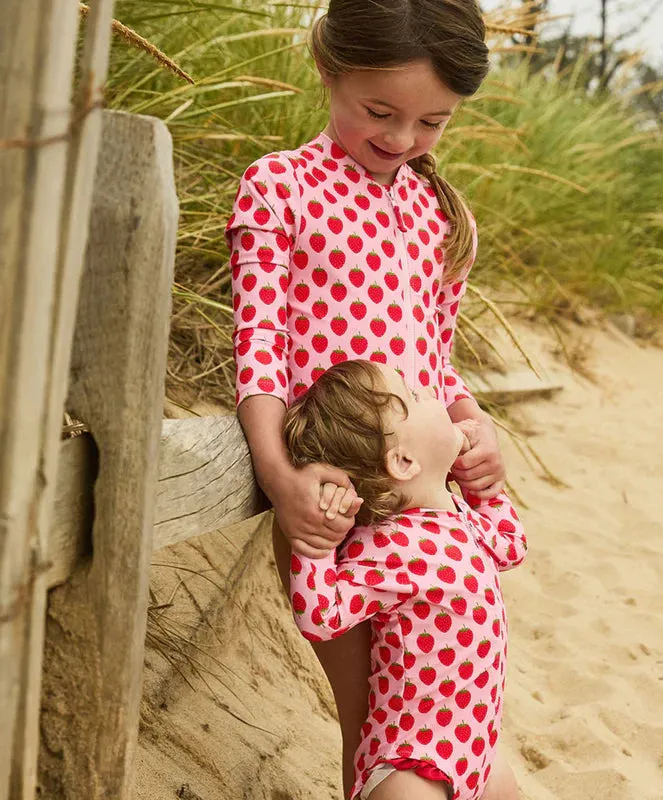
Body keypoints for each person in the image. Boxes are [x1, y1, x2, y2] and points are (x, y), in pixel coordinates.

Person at [226, 1, 505, 795]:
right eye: (379, 112)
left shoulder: (440, 216)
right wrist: (284, 480)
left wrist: (475, 427)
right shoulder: (280, 186)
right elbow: (260, 359)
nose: (403, 139)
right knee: (372, 728)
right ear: (327, 67)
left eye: (432, 123)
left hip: (429, 506)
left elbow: (438, 362)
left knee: (453, 715)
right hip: (339, 504)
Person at [283, 359, 527, 800]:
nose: (430, 395)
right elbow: (321, 617)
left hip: (479, 751)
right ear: (404, 460)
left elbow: (511, 543)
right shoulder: (386, 545)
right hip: (412, 761)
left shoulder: (462, 518)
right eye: (415, 397)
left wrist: (480, 484)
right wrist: (318, 544)